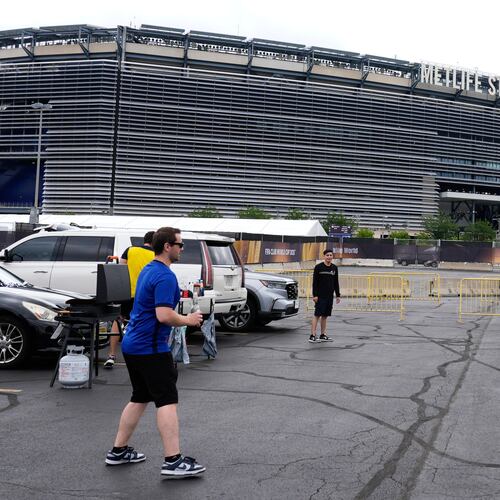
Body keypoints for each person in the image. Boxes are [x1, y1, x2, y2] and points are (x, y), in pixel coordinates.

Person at [105, 227, 206, 478]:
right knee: (167, 401)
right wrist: (189, 319)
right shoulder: (163, 276)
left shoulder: (149, 269)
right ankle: (173, 460)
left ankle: (118, 451)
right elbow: (163, 315)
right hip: (150, 348)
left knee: (139, 397)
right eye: (179, 245)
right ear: (167, 247)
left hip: (133, 345)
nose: (182, 249)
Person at [104, 231, 155, 369]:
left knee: (118, 320)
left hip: (127, 293)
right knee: (142, 323)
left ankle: (111, 356)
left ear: (144, 240)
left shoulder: (130, 250)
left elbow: (120, 268)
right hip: (144, 296)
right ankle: (141, 357)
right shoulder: (156, 255)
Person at [310, 248, 341, 343]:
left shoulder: (334, 268)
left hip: (329, 296)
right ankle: (312, 335)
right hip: (320, 296)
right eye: (327, 255)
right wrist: (315, 295)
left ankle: (323, 335)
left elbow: (336, 282)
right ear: (324, 256)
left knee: (325, 316)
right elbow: (315, 282)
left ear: (332, 257)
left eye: (330, 255)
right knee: (317, 315)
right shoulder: (318, 267)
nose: (329, 257)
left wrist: (338, 295)